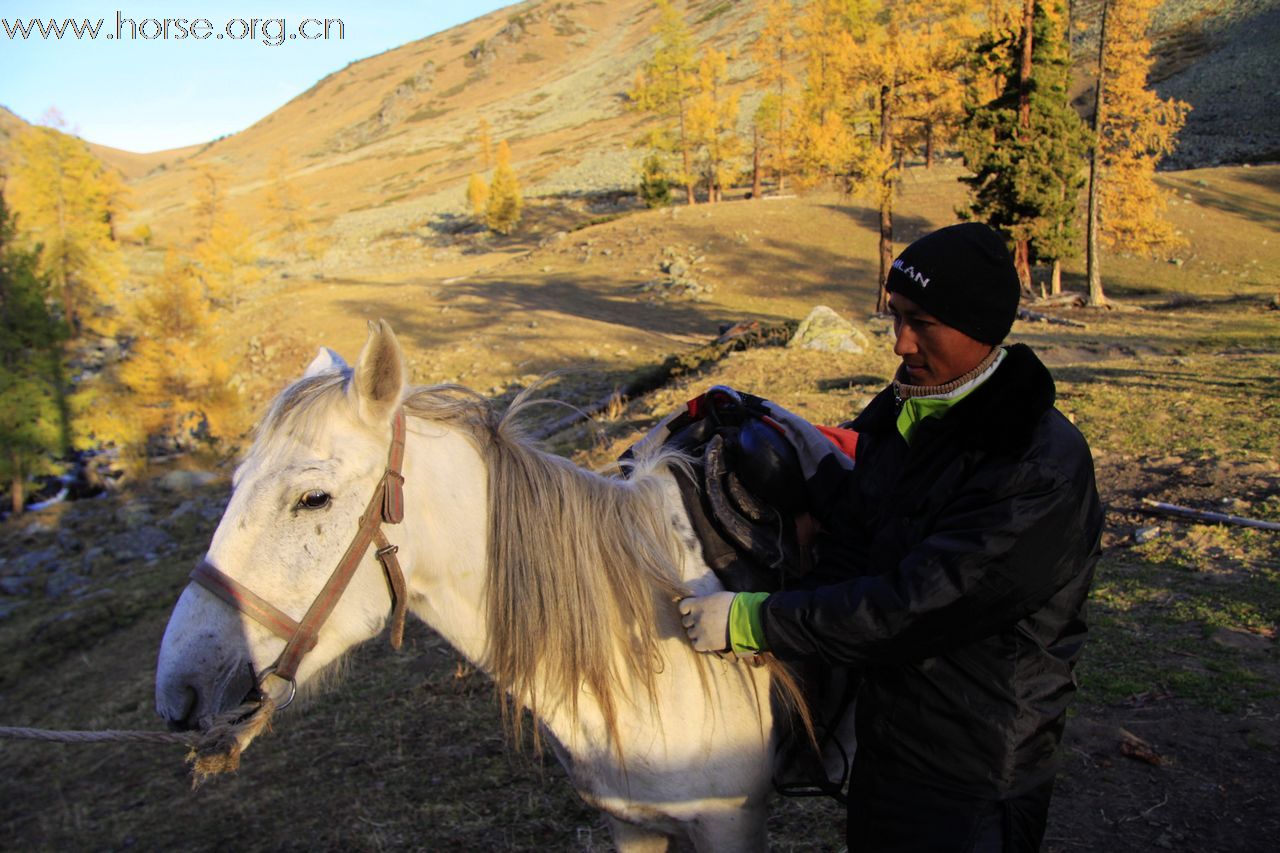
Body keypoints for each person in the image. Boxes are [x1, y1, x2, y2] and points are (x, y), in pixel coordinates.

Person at [678, 222, 1104, 852]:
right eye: (895, 317)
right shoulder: (911, 411)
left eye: (923, 323)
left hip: (975, 764)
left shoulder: (1034, 466)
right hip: (889, 738)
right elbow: (860, 535)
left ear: (982, 329)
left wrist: (755, 620)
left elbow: (916, 605)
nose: (901, 343)